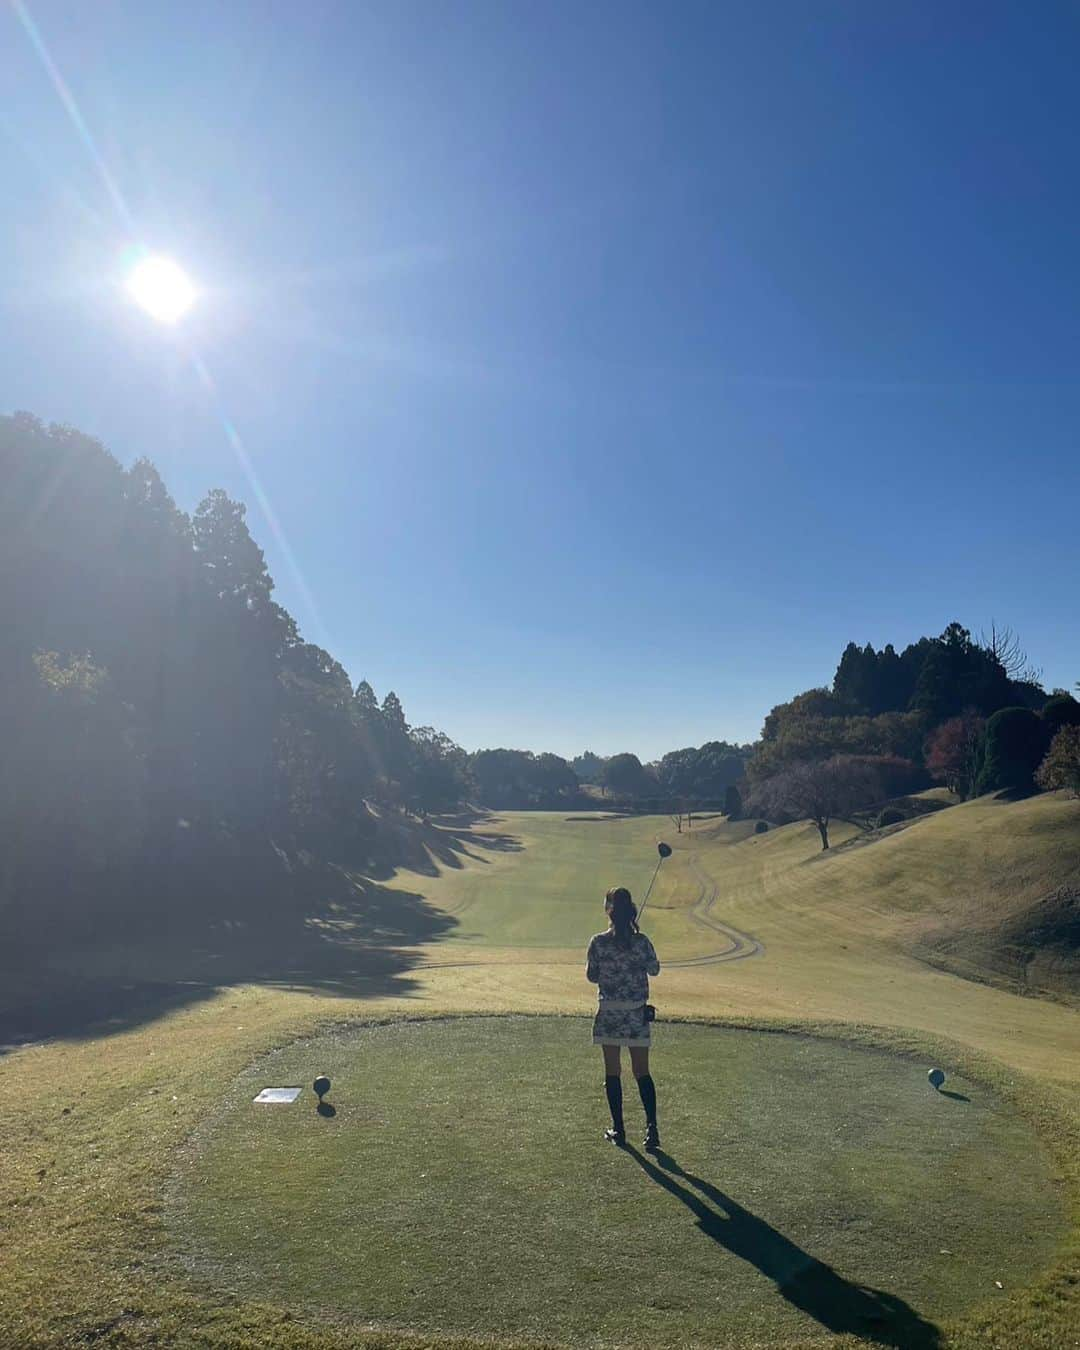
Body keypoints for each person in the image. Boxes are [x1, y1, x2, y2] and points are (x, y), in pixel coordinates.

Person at [586, 886, 661, 1150]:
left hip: (609, 1013)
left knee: (613, 1071)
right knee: (642, 1071)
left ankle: (619, 1129)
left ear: (609, 910)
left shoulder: (597, 942)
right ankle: (652, 1131)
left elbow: (592, 976)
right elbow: (654, 969)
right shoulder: (642, 942)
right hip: (636, 1013)